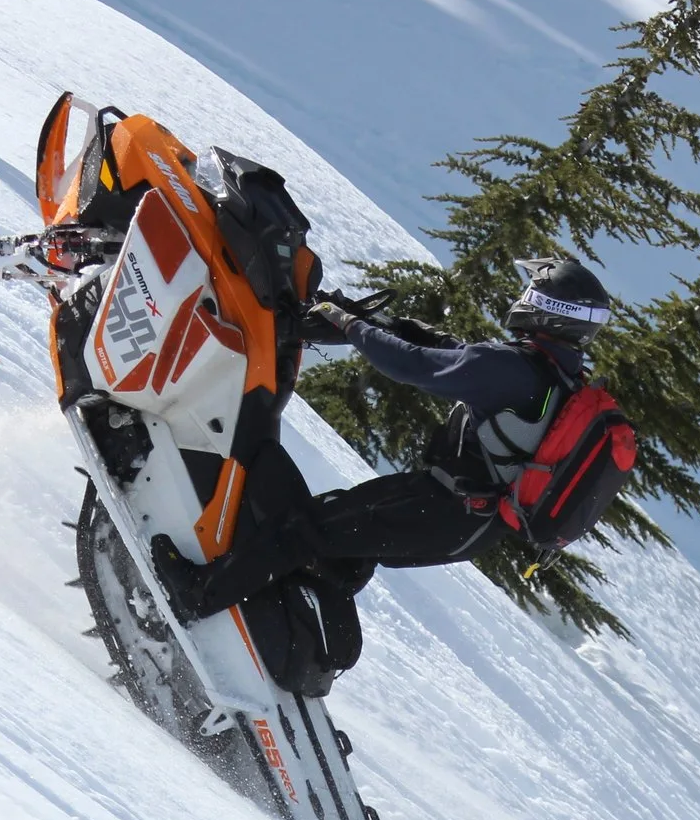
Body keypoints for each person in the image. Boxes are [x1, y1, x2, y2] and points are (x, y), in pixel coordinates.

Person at [151, 257, 614, 622]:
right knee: (341, 544)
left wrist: (351, 327)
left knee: (305, 529)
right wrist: (395, 327)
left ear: (552, 310)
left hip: (447, 508)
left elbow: (414, 366)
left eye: (534, 292)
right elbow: (457, 356)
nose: (524, 297)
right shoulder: (558, 377)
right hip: (463, 516)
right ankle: (292, 635)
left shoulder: (516, 370)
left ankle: (196, 597)